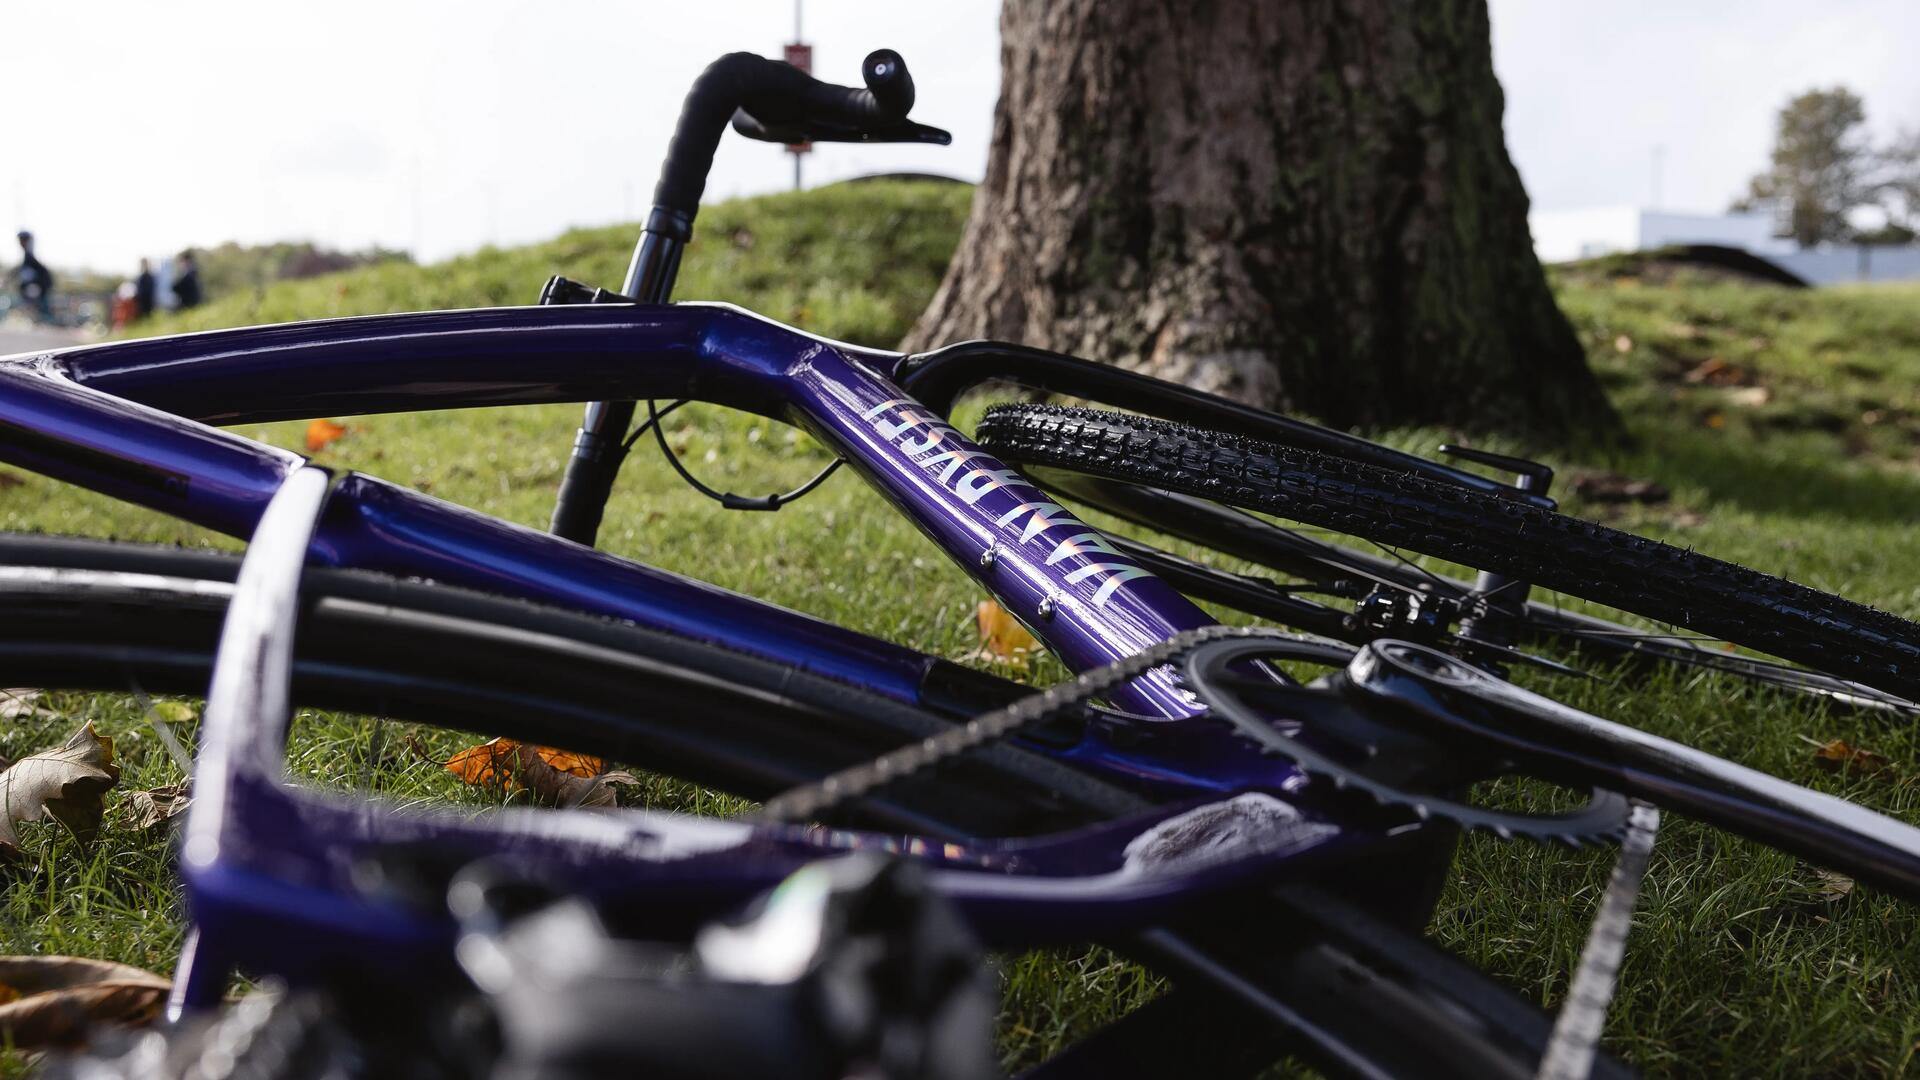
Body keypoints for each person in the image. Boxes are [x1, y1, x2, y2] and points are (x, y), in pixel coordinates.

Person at [11, 231, 54, 321]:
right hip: (37, 290)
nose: (21, 243)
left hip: (40, 289)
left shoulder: (30, 258)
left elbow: (30, 277)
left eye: (23, 240)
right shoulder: (27, 257)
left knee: (43, 312)